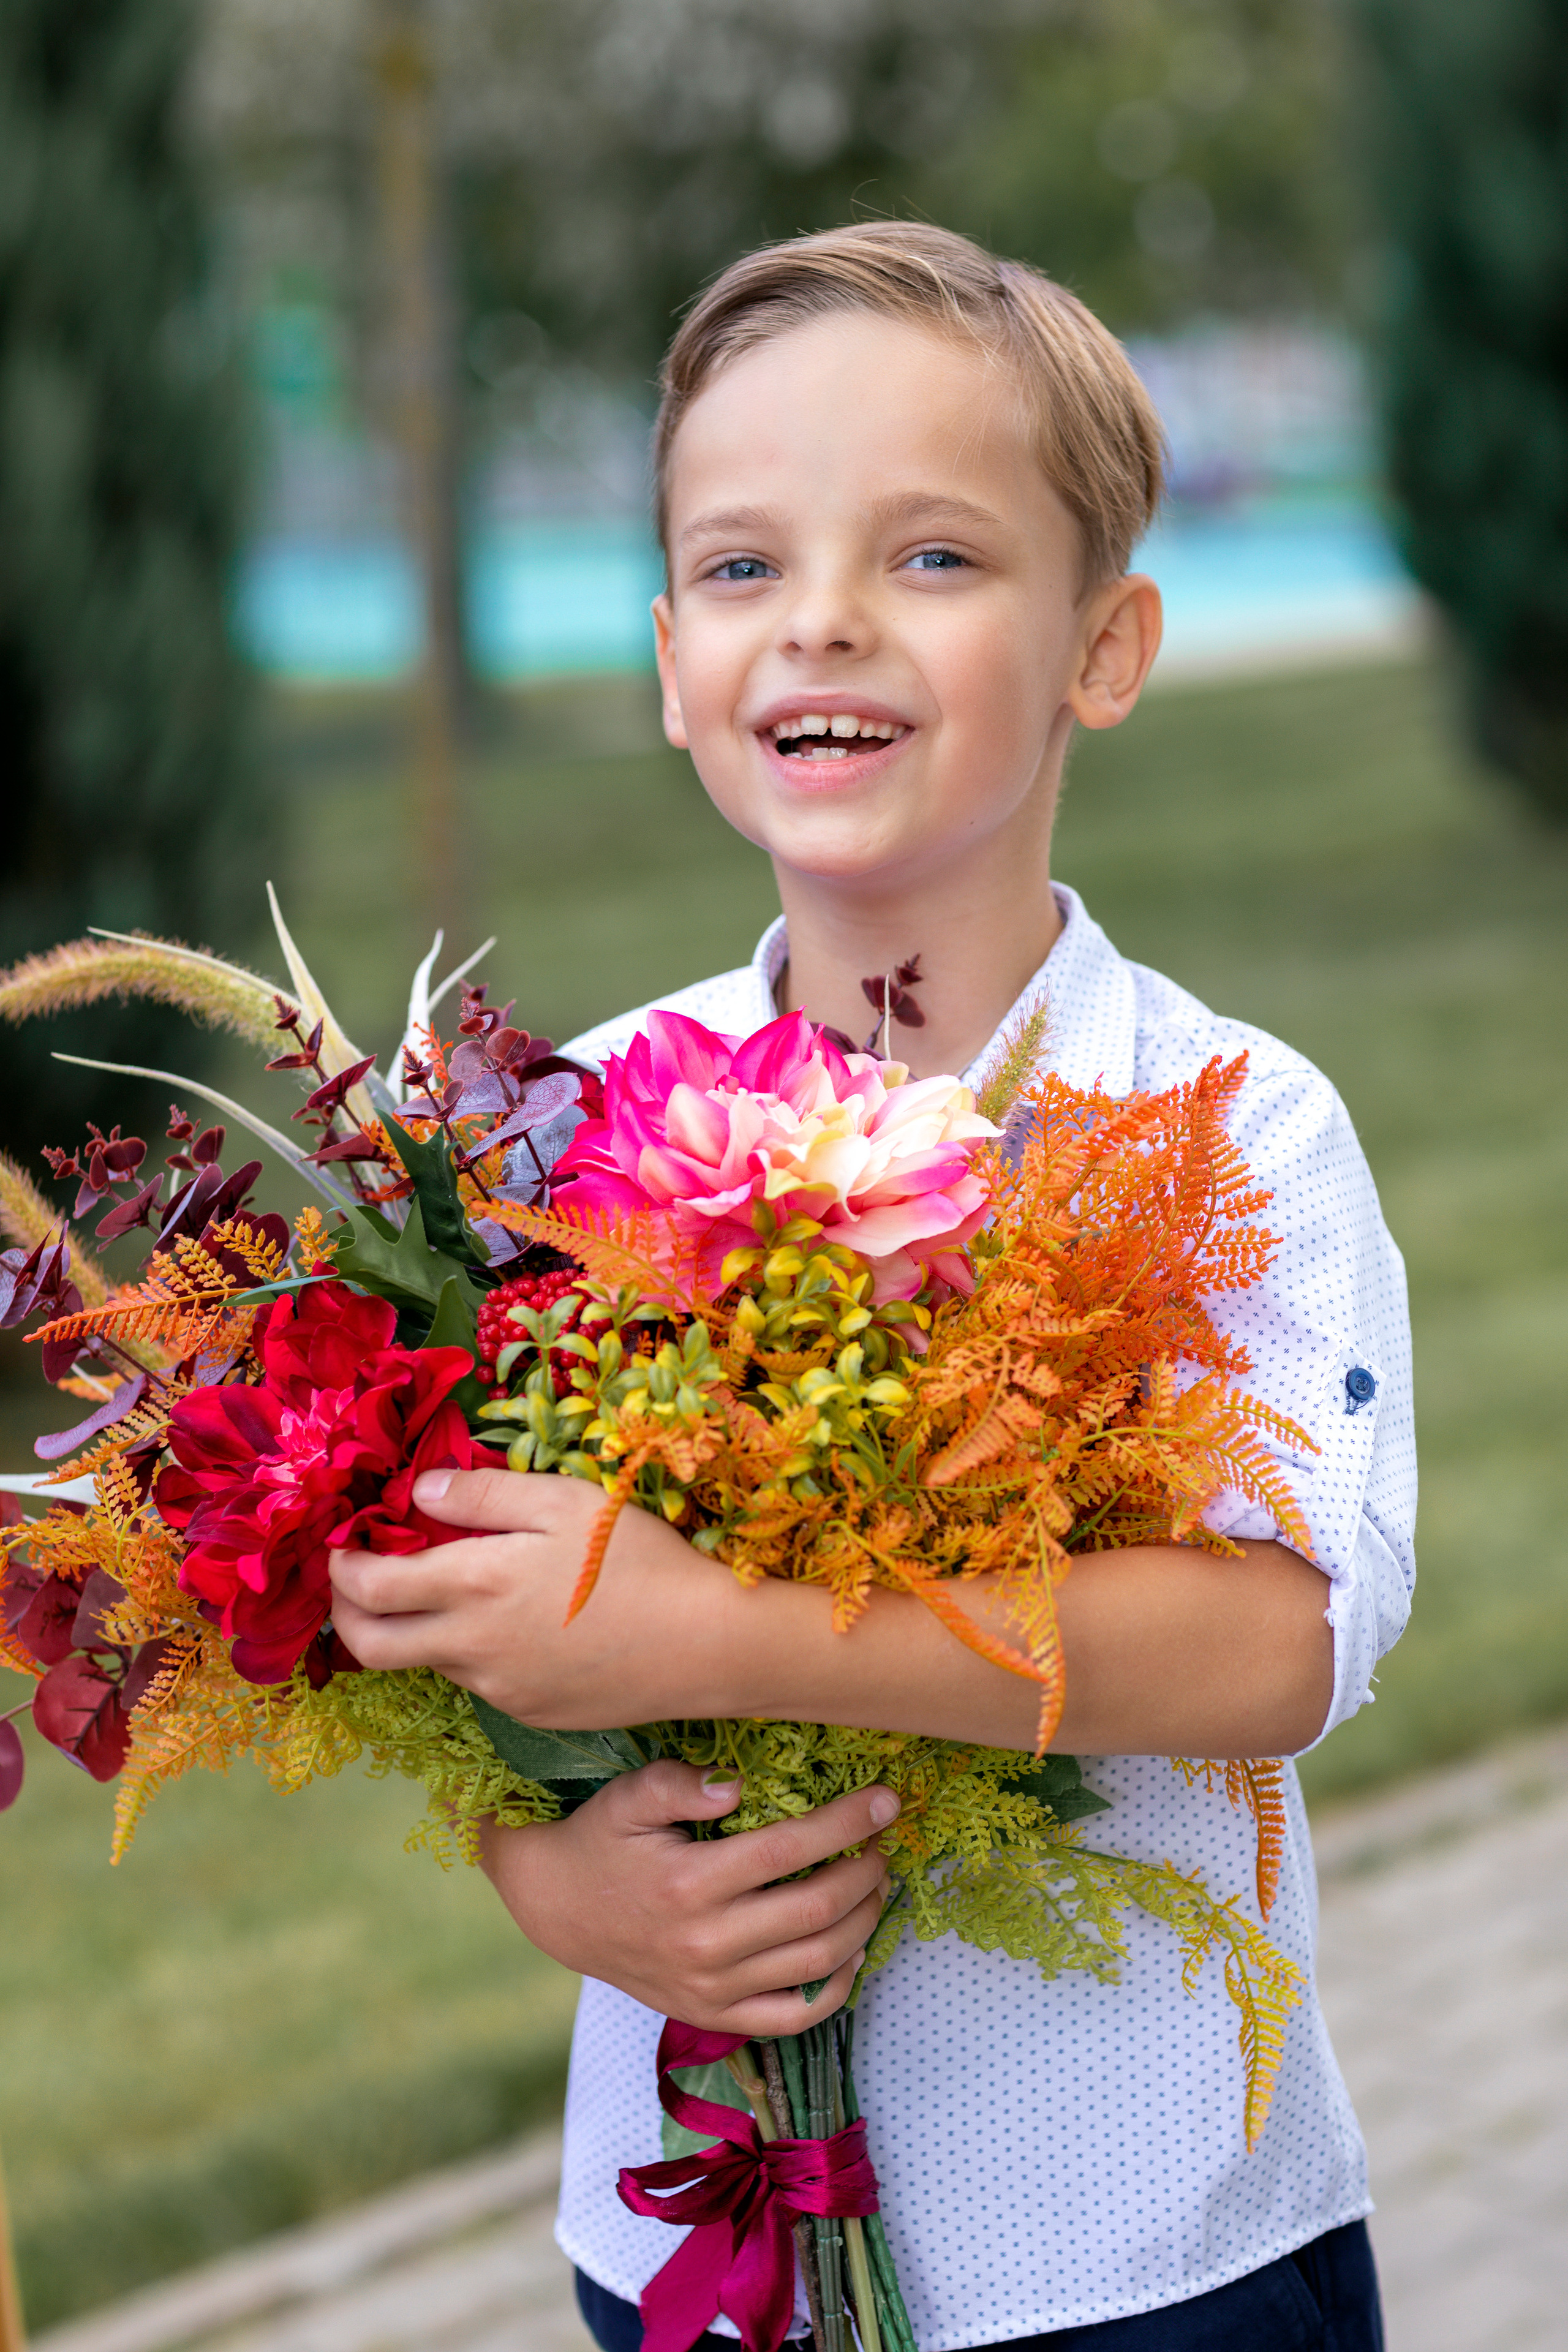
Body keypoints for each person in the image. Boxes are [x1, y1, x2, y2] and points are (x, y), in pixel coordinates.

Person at [329, 223, 1414, 2350]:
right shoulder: (561, 1140)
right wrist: (550, 1877)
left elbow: (1279, 1641)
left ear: (1108, 646)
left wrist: (718, 1629)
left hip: (1132, 2256)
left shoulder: (1222, 1122)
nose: (820, 615)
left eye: (931, 557)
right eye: (743, 568)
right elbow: (448, 1639)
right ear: (665, 662)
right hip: (689, 2251)